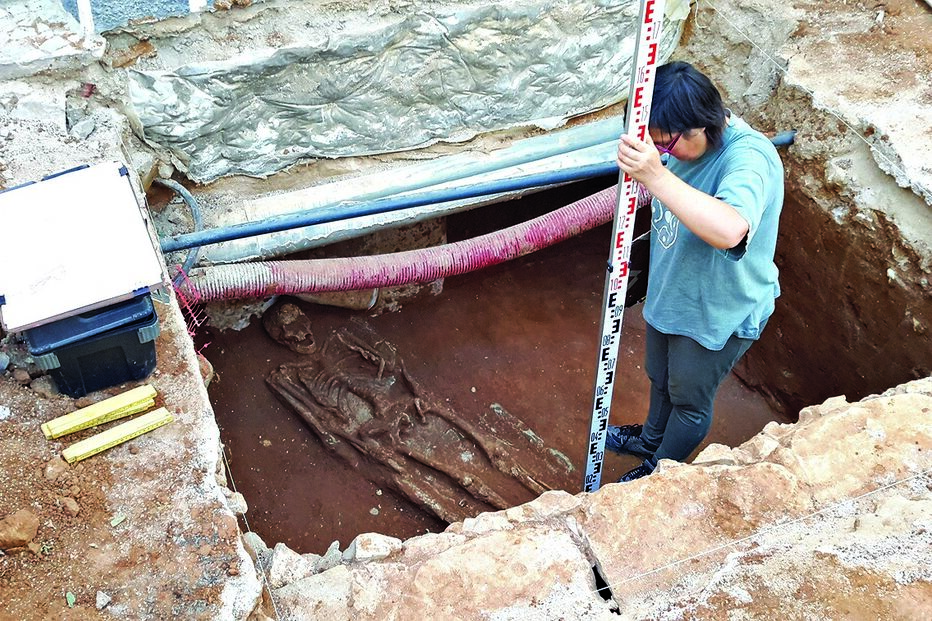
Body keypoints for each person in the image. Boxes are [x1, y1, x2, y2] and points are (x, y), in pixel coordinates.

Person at [609, 60, 784, 482]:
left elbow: (729, 230)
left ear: (700, 127)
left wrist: (654, 175)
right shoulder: (678, 142)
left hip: (717, 310)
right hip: (676, 293)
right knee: (661, 377)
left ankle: (659, 472)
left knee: (688, 399)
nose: (660, 154)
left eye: (665, 146)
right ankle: (650, 440)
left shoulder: (749, 157)